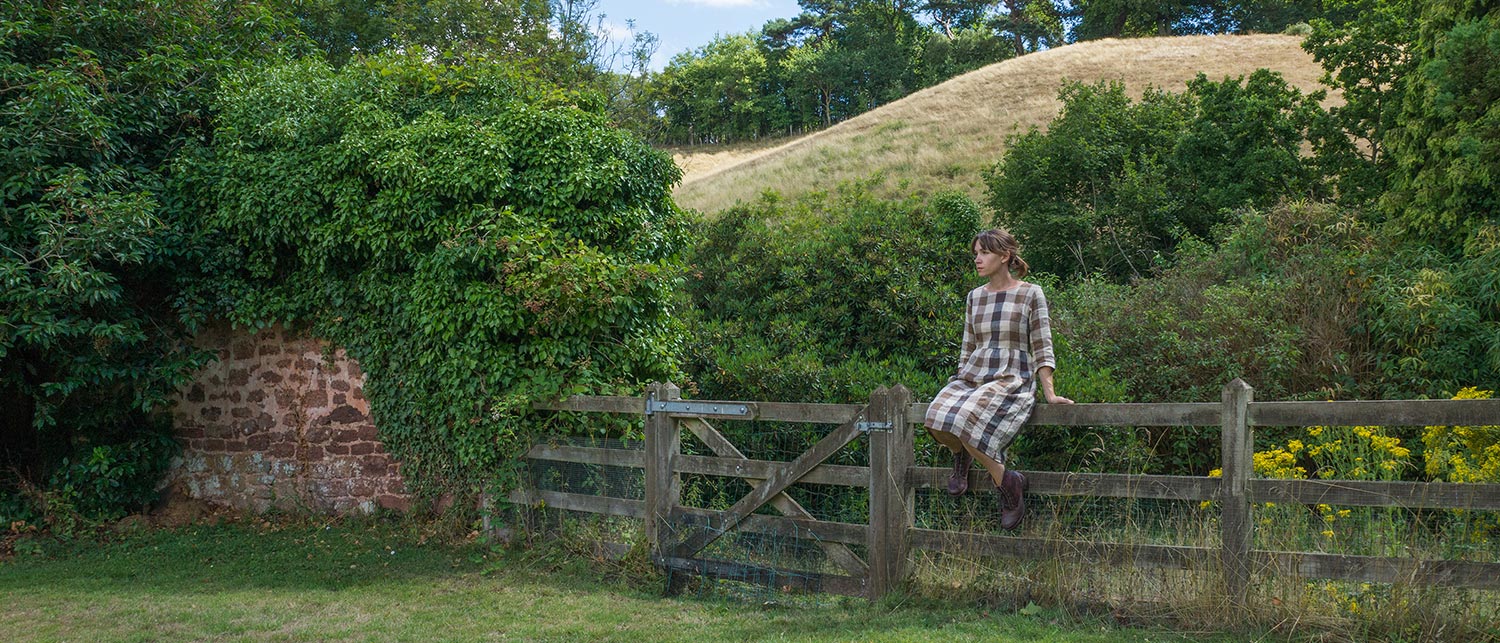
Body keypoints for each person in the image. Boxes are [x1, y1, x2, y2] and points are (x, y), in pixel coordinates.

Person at [924, 228, 1073, 530]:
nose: (977, 259)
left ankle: (1008, 482)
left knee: (965, 417)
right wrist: (957, 382)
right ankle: (961, 454)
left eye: (984, 253)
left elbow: (1042, 345)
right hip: (974, 374)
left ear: (1004, 256)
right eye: (976, 253)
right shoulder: (974, 297)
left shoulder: (1030, 292)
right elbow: (968, 346)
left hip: (1011, 376)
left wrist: (1049, 393)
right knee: (934, 416)